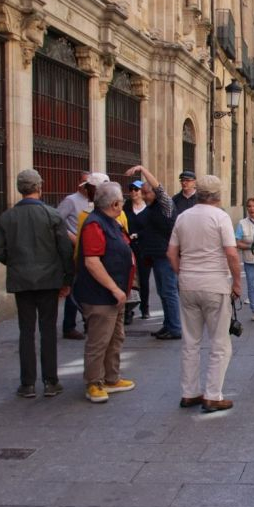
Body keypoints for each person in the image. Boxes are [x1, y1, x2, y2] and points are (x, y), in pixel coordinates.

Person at [0, 169, 74, 399]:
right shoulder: (52, 215)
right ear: (39, 187)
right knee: (48, 331)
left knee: (26, 331)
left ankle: (27, 384)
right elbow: (65, 250)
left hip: (22, 280)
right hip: (49, 281)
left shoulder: (7, 217)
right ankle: (50, 381)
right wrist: (67, 279)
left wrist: (15, 262)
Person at [167, 175, 244, 413]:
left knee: (191, 341)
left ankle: (189, 392)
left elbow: (171, 253)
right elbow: (231, 254)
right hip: (214, 283)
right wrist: (237, 283)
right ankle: (212, 395)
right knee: (220, 343)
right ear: (218, 195)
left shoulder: (183, 217)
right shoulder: (220, 217)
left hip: (188, 283)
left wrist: (184, 273)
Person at [72, 182, 136, 403]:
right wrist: (113, 288)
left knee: (116, 337)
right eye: (122, 201)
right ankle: (94, 382)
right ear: (115, 203)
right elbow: (92, 262)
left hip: (115, 294)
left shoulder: (111, 222)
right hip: (100, 296)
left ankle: (111, 377)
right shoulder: (94, 224)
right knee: (99, 340)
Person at [124, 165, 181, 340]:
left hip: (165, 255)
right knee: (163, 291)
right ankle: (168, 324)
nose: (143, 195)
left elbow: (159, 188)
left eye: (146, 192)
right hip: (156, 254)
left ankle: (175, 327)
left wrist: (142, 169)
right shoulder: (152, 208)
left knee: (169, 291)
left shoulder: (165, 205)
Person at [57, 171, 91, 339]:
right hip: (74, 249)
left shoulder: (95, 201)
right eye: (84, 182)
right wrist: (71, 237)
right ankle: (69, 326)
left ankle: (88, 322)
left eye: (89, 182)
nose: (86, 186)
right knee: (74, 287)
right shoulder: (71, 201)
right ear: (79, 183)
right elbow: (56, 221)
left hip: (90, 249)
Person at [123, 180, 151, 321]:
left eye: (136, 189)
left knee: (144, 279)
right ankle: (128, 310)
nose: (133, 192)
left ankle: (144, 307)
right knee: (129, 278)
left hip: (144, 248)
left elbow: (151, 227)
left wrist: (139, 235)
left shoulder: (149, 208)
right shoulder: (126, 207)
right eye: (131, 189)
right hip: (128, 248)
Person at [235, 195, 254, 322]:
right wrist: (251, 246)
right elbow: (237, 242)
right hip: (250, 261)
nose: (252, 209)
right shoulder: (242, 223)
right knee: (252, 285)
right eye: (249, 206)